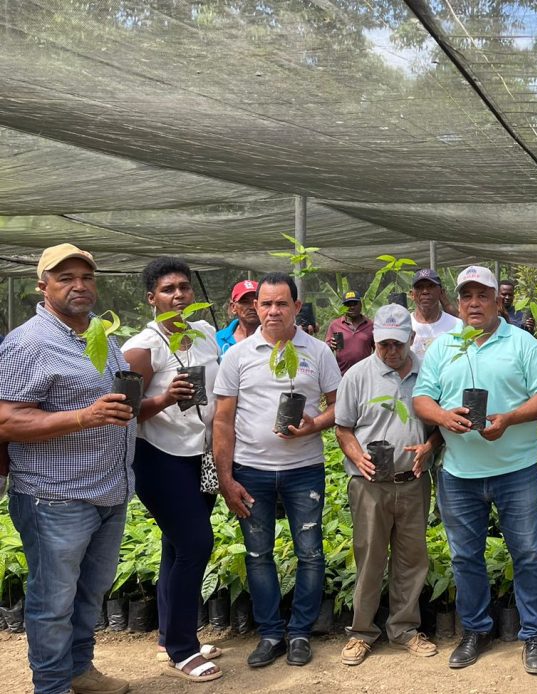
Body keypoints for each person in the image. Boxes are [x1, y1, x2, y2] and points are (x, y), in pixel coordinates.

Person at [0, 244, 136, 694]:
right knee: (51, 603)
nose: (79, 286)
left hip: (108, 491)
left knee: (88, 594)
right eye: (65, 278)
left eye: (86, 277)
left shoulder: (100, 335)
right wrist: (84, 416)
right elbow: (6, 420)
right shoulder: (28, 343)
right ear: (43, 287)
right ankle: (53, 686)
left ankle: (80, 670)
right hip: (54, 496)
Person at [412, 265, 537, 675]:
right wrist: (443, 415)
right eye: (466, 296)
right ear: (456, 302)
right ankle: (476, 629)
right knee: (465, 557)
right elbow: (422, 399)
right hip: (459, 473)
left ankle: (534, 634)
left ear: (498, 300)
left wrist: (509, 418)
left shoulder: (524, 344)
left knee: (528, 553)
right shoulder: (445, 347)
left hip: (516, 470)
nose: (474, 303)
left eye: (482, 295)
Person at [213, 272, 341, 669]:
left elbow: (340, 407)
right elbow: (222, 420)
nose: (271, 311)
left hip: (304, 469)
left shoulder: (317, 352)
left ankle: (300, 631)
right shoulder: (237, 355)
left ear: (296, 307)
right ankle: (270, 633)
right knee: (257, 553)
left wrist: (315, 424)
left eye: (281, 303)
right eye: (264, 304)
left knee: (310, 553)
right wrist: (225, 477)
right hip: (251, 471)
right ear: (255, 307)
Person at [121, 257, 222, 683]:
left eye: (183, 287)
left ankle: (169, 635)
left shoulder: (204, 333)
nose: (178, 295)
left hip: (200, 454)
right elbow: (122, 410)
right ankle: (183, 649)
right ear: (151, 298)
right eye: (168, 289)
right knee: (197, 543)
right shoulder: (141, 348)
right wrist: (163, 399)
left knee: (176, 546)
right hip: (160, 457)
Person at [335, 305, 441, 666]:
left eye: (398, 343)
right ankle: (362, 632)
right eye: (384, 344)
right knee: (369, 557)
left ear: (411, 339)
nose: (392, 351)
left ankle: (405, 629)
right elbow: (343, 427)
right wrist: (356, 455)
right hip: (369, 484)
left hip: (412, 481)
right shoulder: (358, 375)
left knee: (412, 559)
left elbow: (438, 425)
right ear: (374, 341)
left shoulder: (428, 373)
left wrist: (429, 447)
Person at [409, 268, 461, 361]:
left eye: (431, 286)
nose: (425, 291)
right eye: (419, 287)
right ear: (412, 294)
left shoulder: (456, 325)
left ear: (441, 292)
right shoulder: (405, 325)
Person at [325, 290, 374, 375]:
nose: (351, 307)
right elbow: (326, 350)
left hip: (365, 375)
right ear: (343, 307)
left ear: (361, 304)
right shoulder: (335, 325)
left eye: (354, 303)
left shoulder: (371, 325)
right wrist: (331, 346)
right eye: (348, 304)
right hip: (342, 375)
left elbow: (379, 349)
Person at [216, 279, 260, 354]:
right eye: (245, 302)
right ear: (233, 307)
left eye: (256, 301)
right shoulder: (218, 339)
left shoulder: (274, 337)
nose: (252, 307)